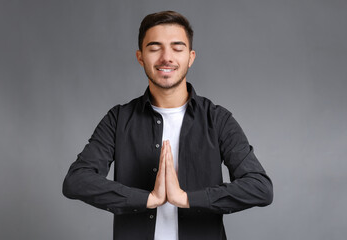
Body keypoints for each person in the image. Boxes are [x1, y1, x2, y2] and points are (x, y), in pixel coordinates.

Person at [63, 10, 273, 240]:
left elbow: (260, 187)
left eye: (177, 48)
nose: (166, 57)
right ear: (140, 56)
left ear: (191, 57)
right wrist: (147, 199)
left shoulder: (218, 119)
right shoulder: (119, 119)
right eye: (154, 48)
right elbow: (76, 181)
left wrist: (186, 199)